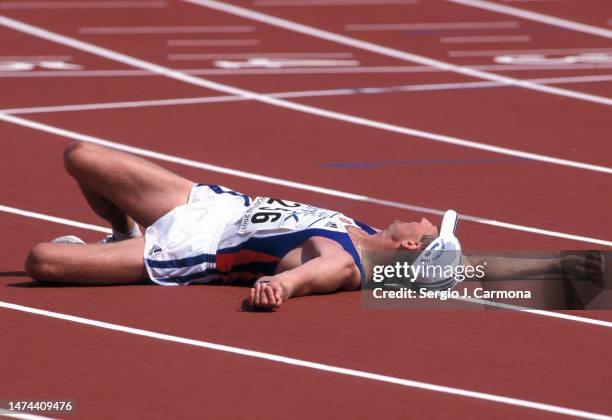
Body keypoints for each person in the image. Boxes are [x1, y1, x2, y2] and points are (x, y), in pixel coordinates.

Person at [24, 142, 440, 310]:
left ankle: (119, 251)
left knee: (43, 261)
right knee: (80, 155)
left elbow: (308, 277)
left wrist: (280, 288)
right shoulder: (362, 228)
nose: (424, 218)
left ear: (408, 247)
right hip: (213, 204)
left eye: (428, 228)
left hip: (195, 247)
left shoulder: (346, 263)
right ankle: (121, 234)